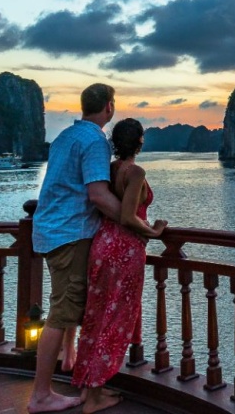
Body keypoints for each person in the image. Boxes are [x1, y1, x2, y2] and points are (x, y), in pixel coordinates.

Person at [28, 84, 121, 413]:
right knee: (62, 311)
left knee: (69, 301)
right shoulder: (95, 141)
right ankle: (40, 395)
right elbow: (98, 195)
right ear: (109, 107)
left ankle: (70, 358)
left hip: (51, 231)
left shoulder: (65, 137)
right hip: (70, 234)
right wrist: (135, 222)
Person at [72, 118, 167, 413]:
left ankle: (89, 387)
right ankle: (94, 396)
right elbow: (127, 216)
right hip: (124, 250)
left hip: (102, 245)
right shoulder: (135, 172)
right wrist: (154, 231)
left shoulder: (110, 169)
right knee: (115, 320)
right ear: (140, 141)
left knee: (97, 315)